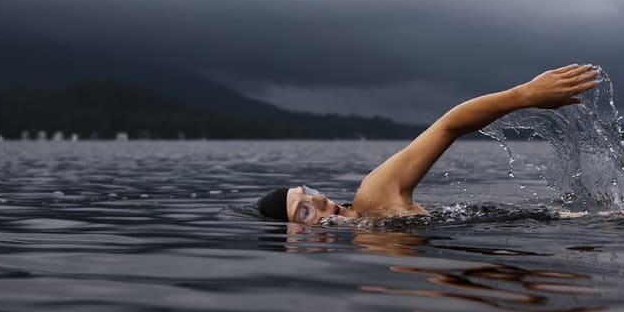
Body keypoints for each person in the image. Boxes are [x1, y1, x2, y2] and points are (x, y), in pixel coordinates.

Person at [257, 64, 600, 224]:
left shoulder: (374, 198)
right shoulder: (371, 263)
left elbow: (448, 126)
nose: (319, 198)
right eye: (304, 210)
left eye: (309, 191)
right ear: (296, 241)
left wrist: (524, 95)